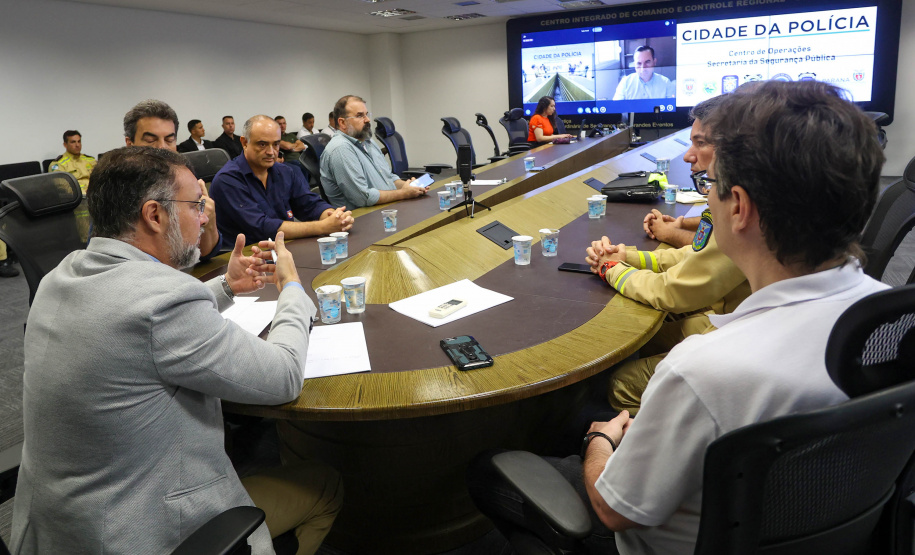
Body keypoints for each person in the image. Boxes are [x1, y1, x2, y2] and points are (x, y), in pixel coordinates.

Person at [470, 80, 888, 555]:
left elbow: (613, 508)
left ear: (741, 209)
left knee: (492, 470)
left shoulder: (701, 372)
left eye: (710, 186)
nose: (705, 198)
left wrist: (599, 440)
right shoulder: (893, 322)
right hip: (829, 525)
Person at [10, 146, 343, 555]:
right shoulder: (163, 302)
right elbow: (285, 376)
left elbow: (129, 318)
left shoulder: (62, 275)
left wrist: (224, 287)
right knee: (326, 485)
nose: (204, 216)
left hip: (56, 527)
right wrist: (292, 288)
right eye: (196, 204)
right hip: (139, 532)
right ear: (154, 215)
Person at [585, 94, 749, 414]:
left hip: (730, 336)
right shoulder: (741, 197)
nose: (688, 156)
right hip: (730, 320)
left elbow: (671, 292)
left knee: (621, 382)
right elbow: (693, 255)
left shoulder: (740, 212)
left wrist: (610, 269)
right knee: (650, 335)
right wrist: (628, 256)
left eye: (700, 143)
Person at [210, 115, 353, 248]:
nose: (271, 152)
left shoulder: (284, 171)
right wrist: (323, 227)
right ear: (244, 143)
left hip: (283, 248)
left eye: (276, 144)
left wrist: (334, 217)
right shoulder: (227, 180)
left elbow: (309, 203)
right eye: (262, 144)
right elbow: (262, 227)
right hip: (244, 258)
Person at [124, 99, 220, 259]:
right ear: (130, 144)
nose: (162, 147)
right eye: (150, 140)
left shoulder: (185, 180)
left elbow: (206, 253)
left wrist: (207, 219)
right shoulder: (115, 187)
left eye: (169, 140)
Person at [320, 95, 429, 209]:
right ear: (342, 123)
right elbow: (363, 197)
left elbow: (389, 178)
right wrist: (404, 193)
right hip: (363, 218)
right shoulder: (340, 149)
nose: (367, 119)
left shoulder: (368, 141)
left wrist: (410, 187)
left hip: (387, 208)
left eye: (366, 114)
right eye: (360, 116)